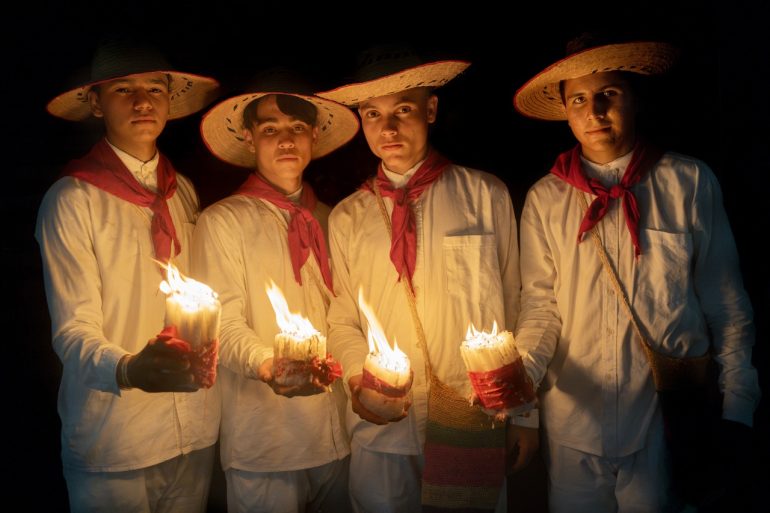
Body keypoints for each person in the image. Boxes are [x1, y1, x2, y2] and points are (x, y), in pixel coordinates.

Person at [513, 35, 760, 512]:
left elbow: (725, 302)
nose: (595, 111)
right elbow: (541, 308)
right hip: (573, 423)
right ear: (565, 110)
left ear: (634, 97)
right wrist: (521, 378)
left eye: (609, 93)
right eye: (579, 99)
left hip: (666, 421)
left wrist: (738, 406)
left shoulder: (687, 182)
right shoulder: (546, 199)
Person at [318, 47, 533, 513]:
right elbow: (342, 320)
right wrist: (360, 382)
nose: (388, 128)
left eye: (404, 110)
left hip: (472, 413)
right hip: (383, 427)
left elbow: (518, 308)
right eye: (373, 114)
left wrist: (525, 415)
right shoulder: (348, 216)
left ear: (431, 109)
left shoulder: (485, 195)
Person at [35, 38, 222, 512]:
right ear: (95, 103)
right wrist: (128, 368)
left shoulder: (183, 193)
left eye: (155, 89)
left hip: (194, 432)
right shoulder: (73, 200)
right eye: (123, 90)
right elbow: (73, 329)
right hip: (115, 439)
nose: (143, 102)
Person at [193, 73, 359, 513]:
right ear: (250, 139)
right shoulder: (223, 221)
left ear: (314, 136)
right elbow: (220, 323)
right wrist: (267, 365)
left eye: (296, 128)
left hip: (339, 434)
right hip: (265, 440)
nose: (285, 140)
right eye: (270, 129)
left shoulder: (332, 218)